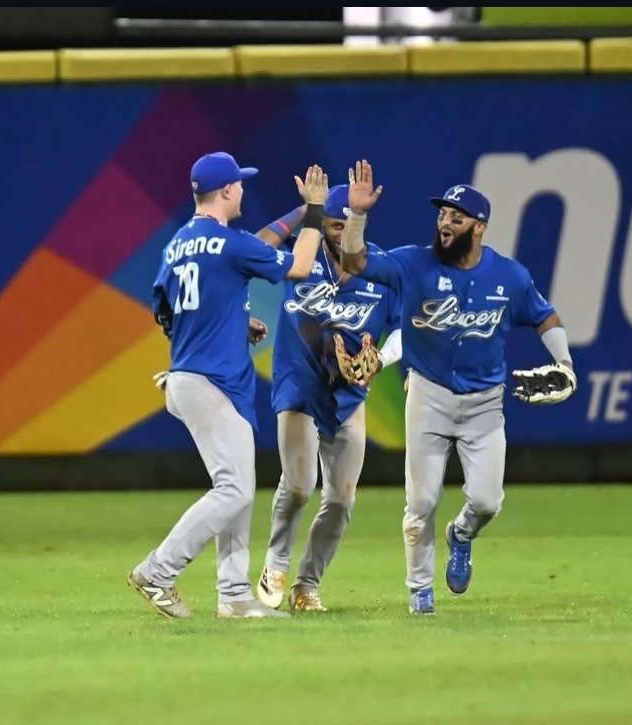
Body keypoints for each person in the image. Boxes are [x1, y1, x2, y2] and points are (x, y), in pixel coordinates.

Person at [339, 161, 578, 615]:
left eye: (457, 217)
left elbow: (544, 315)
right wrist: (357, 216)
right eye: (443, 214)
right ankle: (419, 593)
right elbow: (355, 260)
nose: (445, 223)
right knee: (421, 501)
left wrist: (564, 361)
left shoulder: (509, 276)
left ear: (479, 227)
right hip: (428, 394)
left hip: (486, 402)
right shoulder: (413, 263)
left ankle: (461, 534)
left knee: (488, 501)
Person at [127, 152, 330, 620]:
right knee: (235, 489)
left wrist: (232, 322)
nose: (242, 189)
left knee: (237, 485)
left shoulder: (178, 243)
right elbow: (299, 265)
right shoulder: (230, 243)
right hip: (211, 381)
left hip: (191, 375)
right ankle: (158, 570)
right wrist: (315, 211)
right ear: (225, 192)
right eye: (238, 183)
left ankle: (235, 596)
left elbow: (166, 311)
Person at [252, 184, 404, 613]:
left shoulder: (380, 269)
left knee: (341, 500)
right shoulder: (303, 259)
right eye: (331, 224)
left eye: (346, 224)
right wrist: (306, 211)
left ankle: (307, 587)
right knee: (299, 488)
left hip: (349, 394)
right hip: (300, 384)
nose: (338, 233)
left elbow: (410, 327)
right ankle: (275, 563)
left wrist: (381, 360)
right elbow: (259, 246)